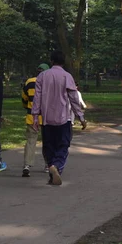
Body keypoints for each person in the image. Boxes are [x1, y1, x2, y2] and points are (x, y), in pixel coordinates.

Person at [31, 51, 86, 186]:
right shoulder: (67, 76)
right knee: (63, 145)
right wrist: (81, 117)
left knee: (49, 146)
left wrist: (35, 117)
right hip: (63, 118)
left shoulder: (42, 76)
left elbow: (37, 98)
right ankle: (56, 166)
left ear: (51, 61)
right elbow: (74, 99)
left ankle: (52, 170)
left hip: (47, 119)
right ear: (64, 62)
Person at [21, 63, 49, 177]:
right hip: (47, 117)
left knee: (31, 141)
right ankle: (48, 164)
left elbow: (24, 97)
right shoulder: (49, 82)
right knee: (47, 142)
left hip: (31, 116)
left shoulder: (29, 82)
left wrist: (26, 106)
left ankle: (27, 165)